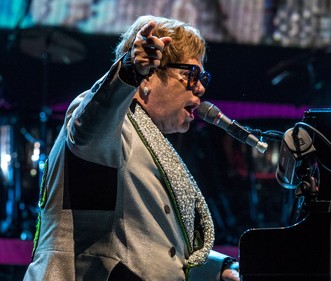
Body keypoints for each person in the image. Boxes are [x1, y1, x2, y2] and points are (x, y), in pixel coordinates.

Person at [23, 15, 240, 281]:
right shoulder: (107, 120)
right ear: (148, 78)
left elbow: (162, 250)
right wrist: (128, 70)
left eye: (203, 76)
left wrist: (219, 268)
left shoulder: (151, 141)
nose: (201, 87)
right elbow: (86, 131)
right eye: (190, 74)